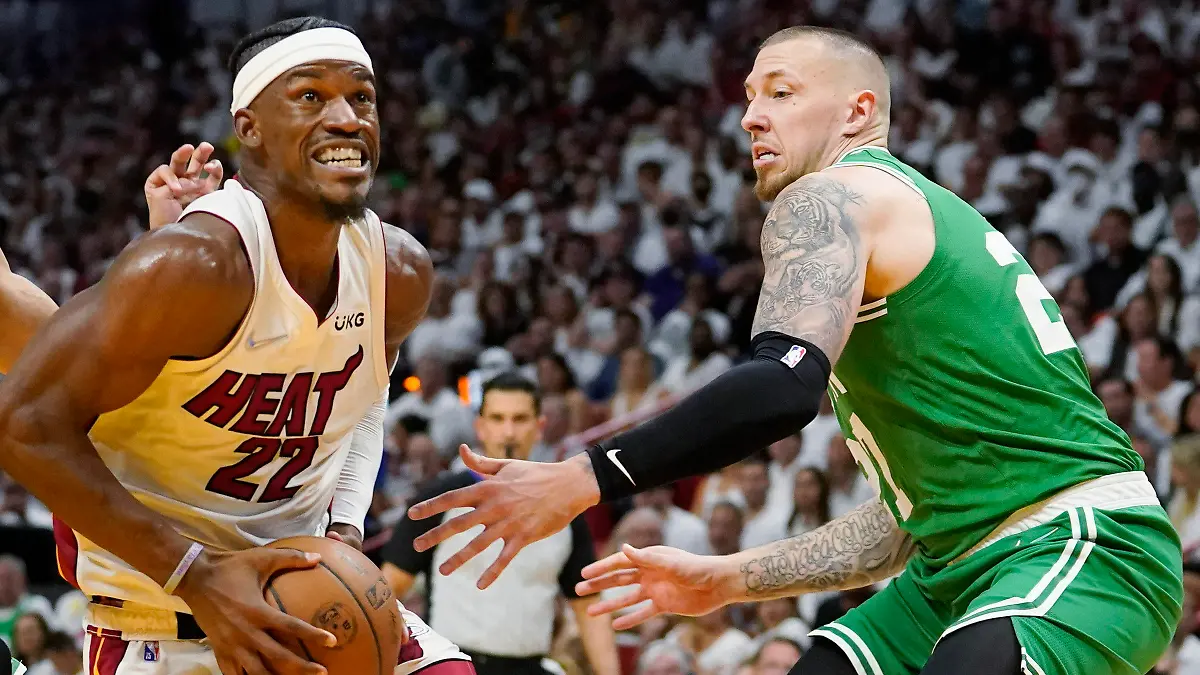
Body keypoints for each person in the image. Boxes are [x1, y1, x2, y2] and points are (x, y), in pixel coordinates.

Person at [407, 26, 1182, 675]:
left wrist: (584, 476)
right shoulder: (903, 221)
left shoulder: (835, 195)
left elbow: (779, 390)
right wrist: (726, 580)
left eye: (779, 92)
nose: (750, 117)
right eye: (747, 97)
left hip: (1082, 541)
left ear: (858, 111)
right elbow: (903, 525)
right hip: (955, 566)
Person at [0, 16, 446, 675]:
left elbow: (365, 399)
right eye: (311, 96)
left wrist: (346, 526)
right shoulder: (193, 265)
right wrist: (198, 574)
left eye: (363, 97)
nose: (349, 118)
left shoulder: (397, 273)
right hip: (161, 612)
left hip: (302, 593)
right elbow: (24, 423)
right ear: (249, 127)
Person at [381, 372, 620, 675]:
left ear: (539, 426)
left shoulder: (565, 510)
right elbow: (387, 588)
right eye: (498, 418)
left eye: (520, 419)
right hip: (451, 666)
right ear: (480, 426)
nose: (509, 432)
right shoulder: (441, 498)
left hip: (529, 667)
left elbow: (588, 607)